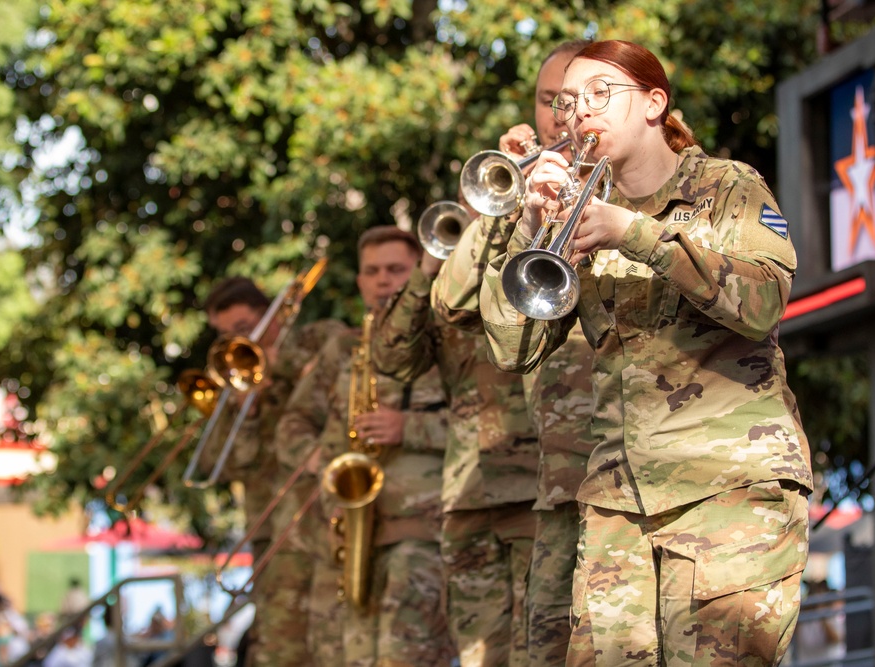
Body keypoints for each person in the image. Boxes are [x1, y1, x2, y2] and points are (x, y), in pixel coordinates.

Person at [479, 39, 813, 665]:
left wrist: (634, 233)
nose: (581, 112)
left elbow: (764, 301)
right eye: (570, 101)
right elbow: (509, 348)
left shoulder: (726, 185)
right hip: (615, 503)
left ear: (655, 103)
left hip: (728, 489)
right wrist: (527, 231)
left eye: (602, 93)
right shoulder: (573, 217)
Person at [428, 39, 596, 664]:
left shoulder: (624, 186)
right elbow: (448, 300)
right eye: (549, 101)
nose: (560, 115)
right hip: (536, 475)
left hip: (597, 470)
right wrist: (511, 202)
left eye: (574, 100)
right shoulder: (523, 192)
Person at [275, 226, 455, 666]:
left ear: (420, 271)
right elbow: (292, 427)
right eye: (371, 271)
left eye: (396, 269)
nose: (382, 279)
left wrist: (408, 427)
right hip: (346, 532)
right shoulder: (343, 348)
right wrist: (326, 467)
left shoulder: (447, 337)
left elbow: (490, 427)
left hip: (420, 534)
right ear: (359, 280)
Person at [201, 274, 347, 667]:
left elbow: (349, 394)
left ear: (272, 315)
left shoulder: (320, 339)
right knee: (279, 647)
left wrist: (285, 367)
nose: (238, 343)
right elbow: (231, 464)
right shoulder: (237, 382)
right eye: (225, 334)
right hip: (272, 530)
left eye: (245, 329)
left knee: (337, 643)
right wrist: (243, 408)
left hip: (329, 518)